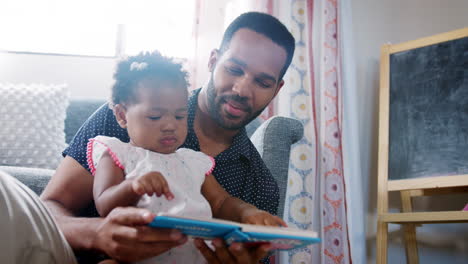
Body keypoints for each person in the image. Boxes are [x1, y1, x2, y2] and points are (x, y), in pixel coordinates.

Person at [40, 11, 295, 263]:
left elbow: (226, 208)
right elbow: (48, 207)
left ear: (277, 89)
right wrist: (95, 233)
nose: (241, 90)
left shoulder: (261, 187)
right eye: (233, 69)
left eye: (262, 82)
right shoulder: (132, 116)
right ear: (213, 61)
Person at [89, 51, 286, 264]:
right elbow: (103, 204)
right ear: (121, 115)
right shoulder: (118, 154)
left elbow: (221, 201)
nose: (170, 125)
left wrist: (248, 212)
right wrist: (132, 187)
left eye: (180, 116)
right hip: (137, 255)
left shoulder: (193, 161)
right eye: (155, 116)